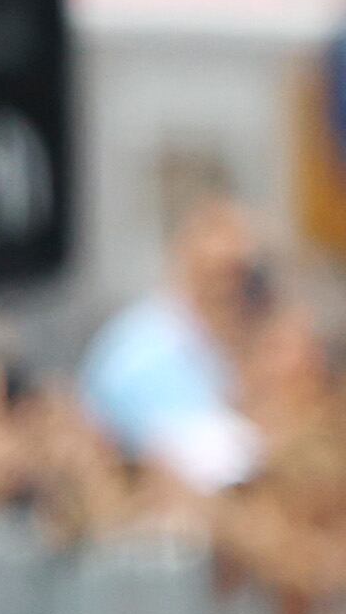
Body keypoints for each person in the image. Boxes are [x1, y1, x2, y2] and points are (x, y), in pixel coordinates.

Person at [79, 194, 274, 494]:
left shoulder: (258, 337)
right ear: (185, 258)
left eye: (240, 274)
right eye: (219, 274)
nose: (230, 290)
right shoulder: (138, 354)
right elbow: (204, 462)